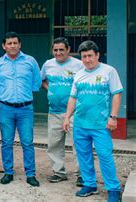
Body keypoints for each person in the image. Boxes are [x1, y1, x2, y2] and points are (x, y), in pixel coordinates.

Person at [63, 40, 123, 202]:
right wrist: (67, 117)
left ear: (97, 55)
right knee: (83, 155)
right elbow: (73, 98)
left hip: (100, 124)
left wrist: (113, 117)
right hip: (81, 124)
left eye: (90, 56)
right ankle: (89, 184)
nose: (87, 60)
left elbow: (117, 94)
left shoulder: (108, 71)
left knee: (105, 155)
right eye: (84, 57)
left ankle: (113, 188)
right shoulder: (79, 74)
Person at [0, 32, 41, 187]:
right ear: (3, 46)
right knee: (6, 142)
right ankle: (8, 172)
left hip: (25, 109)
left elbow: (36, 82)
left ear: (20, 44)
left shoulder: (30, 61)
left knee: (27, 142)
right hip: (5, 108)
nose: (12, 46)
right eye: (9, 43)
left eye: (15, 43)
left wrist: (24, 95)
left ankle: (31, 174)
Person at [41, 37, 83, 185]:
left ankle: (82, 175)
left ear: (68, 50)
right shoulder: (48, 64)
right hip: (54, 112)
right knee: (54, 144)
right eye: (55, 50)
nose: (58, 53)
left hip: (75, 113)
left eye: (61, 50)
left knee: (79, 144)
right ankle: (59, 172)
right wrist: (49, 89)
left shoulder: (78, 65)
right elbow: (42, 80)